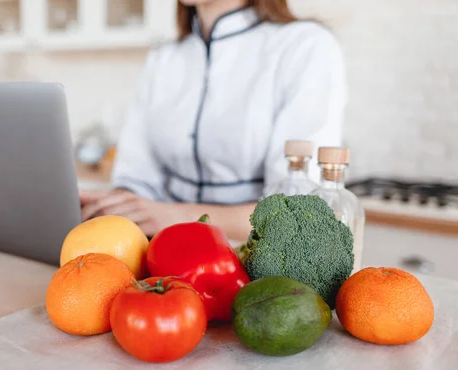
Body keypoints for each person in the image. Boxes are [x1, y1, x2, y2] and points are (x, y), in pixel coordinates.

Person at [80, 0, 347, 242]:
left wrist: (171, 216)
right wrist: (110, 207)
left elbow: (297, 213)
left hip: (252, 266)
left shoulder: (305, 47)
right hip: (162, 261)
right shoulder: (162, 59)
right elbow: (136, 179)